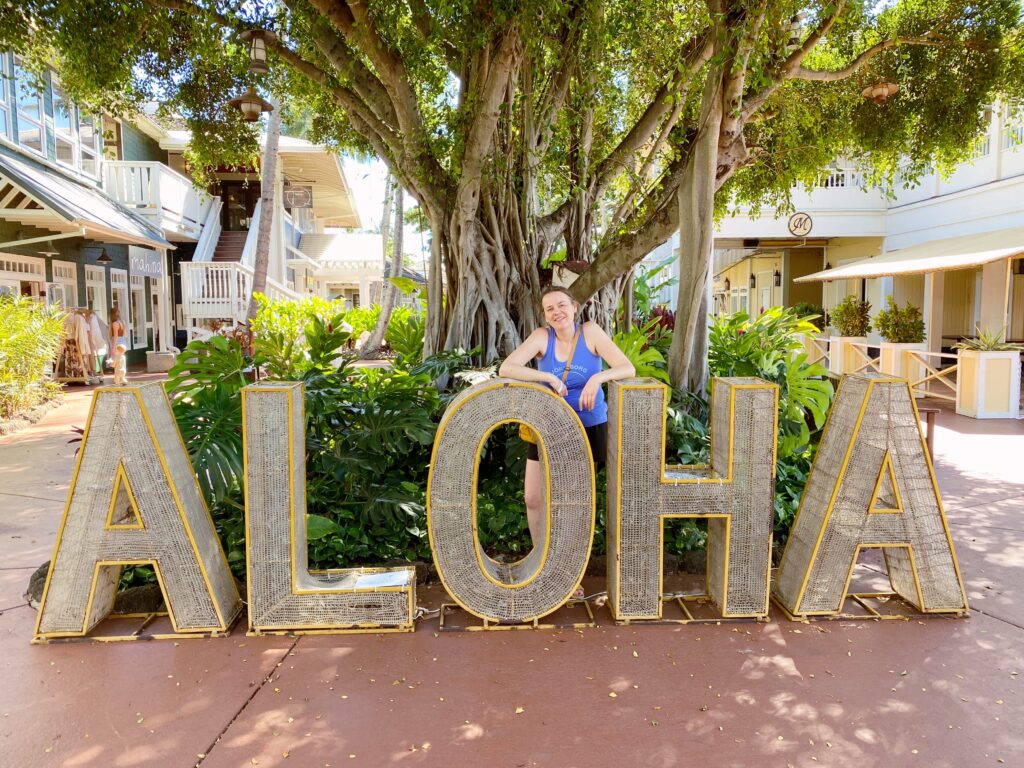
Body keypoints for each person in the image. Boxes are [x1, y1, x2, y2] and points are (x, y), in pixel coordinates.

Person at [498, 286, 635, 547]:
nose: (556, 312)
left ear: (574, 307)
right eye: (549, 308)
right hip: (549, 426)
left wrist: (597, 378)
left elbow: (627, 368)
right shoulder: (542, 337)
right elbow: (507, 368)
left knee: (573, 500)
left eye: (562, 305)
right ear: (545, 315)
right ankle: (542, 562)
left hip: (587, 425)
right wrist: (547, 377)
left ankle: (571, 572)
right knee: (533, 498)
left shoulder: (590, 332)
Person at [108, 307, 128, 386]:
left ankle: (118, 379)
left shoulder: (115, 324)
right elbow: (125, 334)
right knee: (121, 360)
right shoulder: (122, 322)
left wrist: (113, 348)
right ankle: (122, 377)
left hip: (118, 342)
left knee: (116, 361)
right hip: (123, 341)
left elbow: (115, 336)